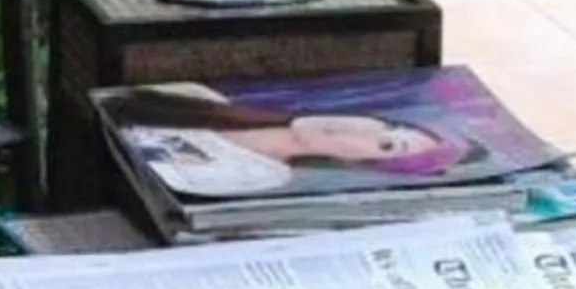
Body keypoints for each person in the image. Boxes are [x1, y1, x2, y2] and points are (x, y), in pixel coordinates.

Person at [105, 91, 478, 198]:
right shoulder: (197, 96)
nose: (367, 129)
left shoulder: (257, 178)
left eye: (385, 146)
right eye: (389, 125)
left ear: (364, 164)